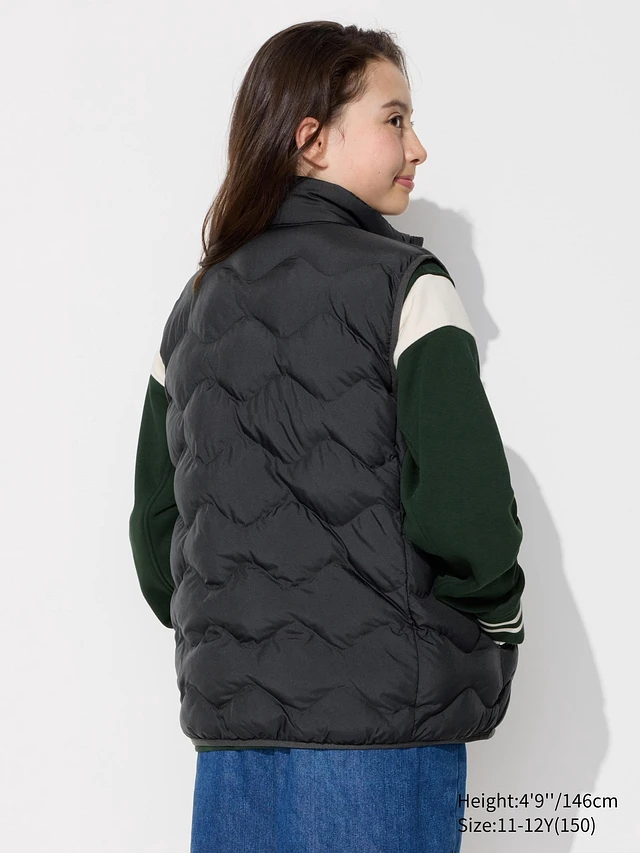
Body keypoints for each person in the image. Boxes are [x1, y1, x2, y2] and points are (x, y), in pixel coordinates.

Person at [128, 20, 526, 853]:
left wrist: (234, 636)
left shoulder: (192, 309)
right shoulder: (407, 286)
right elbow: (467, 512)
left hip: (232, 747)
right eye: (395, 119)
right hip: (382, 736)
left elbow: (157, 537)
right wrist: (500, 618)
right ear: (311, 139)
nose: (418, 147)